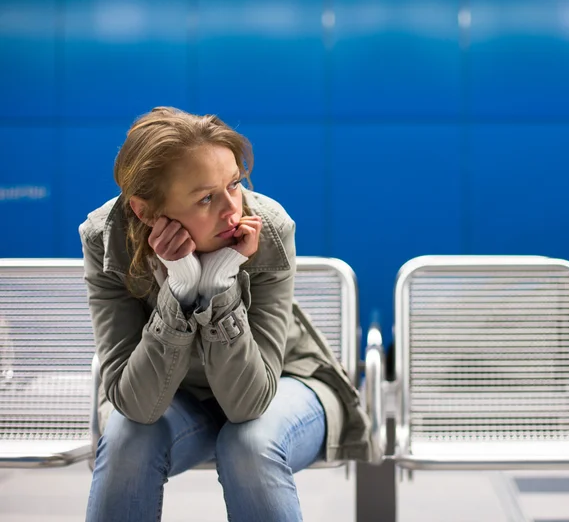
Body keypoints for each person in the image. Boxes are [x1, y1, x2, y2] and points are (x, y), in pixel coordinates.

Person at [80, 106, 371, 522]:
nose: (233, 212)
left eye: (234, 184)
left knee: (249, 443)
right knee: (126, 436)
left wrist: (218, 283)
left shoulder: (267, 227)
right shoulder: (106, 241)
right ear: (145, 212)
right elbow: (137, 406)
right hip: (174, 395)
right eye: (205, 198)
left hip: (285, 379)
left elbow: (249, 403)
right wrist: (179, 291)